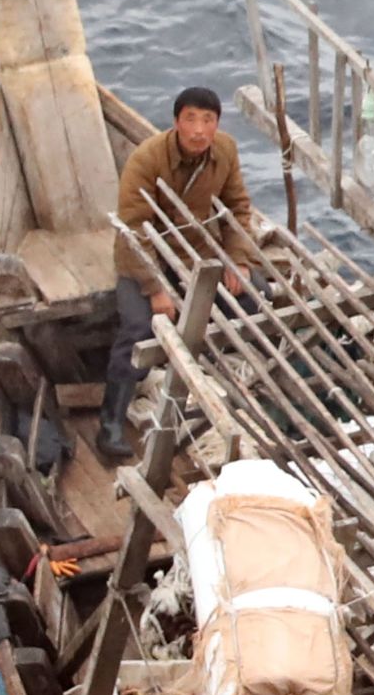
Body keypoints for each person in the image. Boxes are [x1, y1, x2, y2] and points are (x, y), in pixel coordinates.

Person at [99, 86, 264, 462]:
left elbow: (238, 208)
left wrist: (236, 260)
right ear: (176, 122)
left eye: (208, 120)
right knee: (140, 328)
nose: (199, 130)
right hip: (145, 259)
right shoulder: (146, 160)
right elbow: (134, 228)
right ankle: (109, 424)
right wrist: (154, 286)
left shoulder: (225, 152)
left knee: (253, 297)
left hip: (196, 256)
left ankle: (215, 378)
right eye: (191, 119)